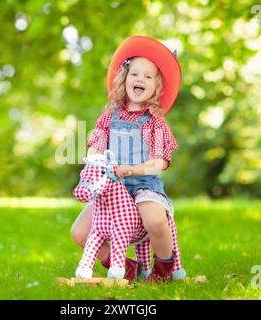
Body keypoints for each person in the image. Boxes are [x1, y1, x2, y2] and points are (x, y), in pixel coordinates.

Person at [70, 35, 185, 282]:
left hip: (143, 185)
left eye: (148, 76)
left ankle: (163, 269)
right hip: (112, 185)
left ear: (157, 85)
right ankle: (125, 265)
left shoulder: (155, 123)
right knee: (79, 232)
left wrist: (132, 170)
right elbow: (97, 145)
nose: (140, 79)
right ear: (125, 77)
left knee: (154, 219)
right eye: (135, 74)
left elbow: (159, 163)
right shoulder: (109, 115)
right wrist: (96, 160)